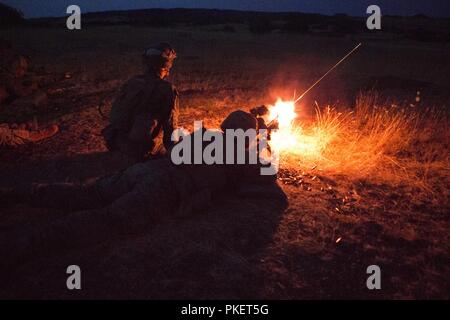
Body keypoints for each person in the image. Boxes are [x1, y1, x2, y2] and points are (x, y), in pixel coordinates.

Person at [1, 111, 286, 264]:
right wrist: (262, 146)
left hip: (147, 169)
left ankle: (24, 193)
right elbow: (269, 179)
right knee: (108, 220)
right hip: (164, 188)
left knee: (90, 193)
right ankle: (23, 245)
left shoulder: (206, 133)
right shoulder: (242, 157)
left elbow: (174, 145)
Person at [102, 42, 179, 162]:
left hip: (115, 142)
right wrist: (174, 152)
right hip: (139, 150)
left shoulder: (133, 82)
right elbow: (170, 126)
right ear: (167, 65)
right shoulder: (167, 88)